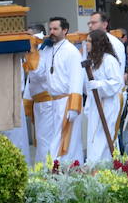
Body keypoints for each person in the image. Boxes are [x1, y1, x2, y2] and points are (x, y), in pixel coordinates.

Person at [24, 16, 84, 163]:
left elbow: (76, 79)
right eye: (50, 29)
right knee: (55, 139)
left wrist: (73, 107)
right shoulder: (47, 49)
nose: (52, 32)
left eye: (55, 29)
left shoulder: (71, 51)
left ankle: (71, 170)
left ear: (65, 30)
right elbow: (38, 73)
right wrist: (32, 51)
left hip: (68, 101)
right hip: (54, 101)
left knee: (68, 140)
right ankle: (56, 170)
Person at [83, 28, 123, 164]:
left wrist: (99, 84)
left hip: (108, 103)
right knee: (94, 137)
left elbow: (117, 82)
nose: (86, 44)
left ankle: (103, 165)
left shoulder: (109, 60)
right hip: (96, 104)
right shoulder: (94, 61)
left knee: (103, 137)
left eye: (89, 41)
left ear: (97, 43)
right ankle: (94, 165)